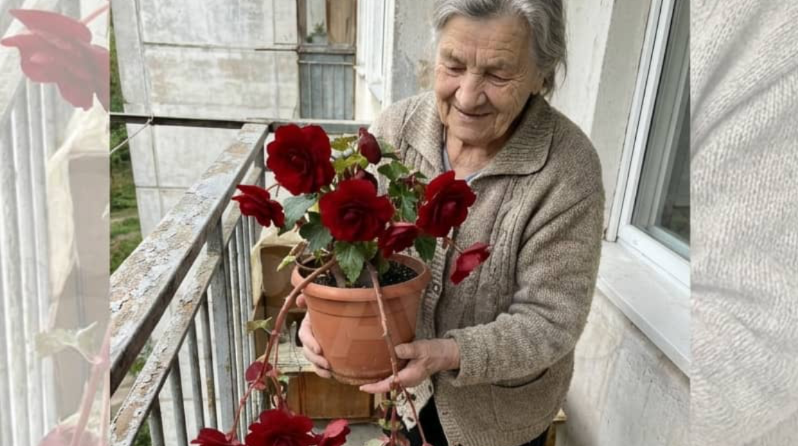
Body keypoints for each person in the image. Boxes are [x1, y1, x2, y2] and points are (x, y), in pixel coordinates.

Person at [298, 1, 604, 445]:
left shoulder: (567, 169)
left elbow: (551, 319)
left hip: (500, 420)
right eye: (454, 65)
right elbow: (354, 245)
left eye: (498, 75)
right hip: (407, 393)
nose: (467, 95)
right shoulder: (397, 129)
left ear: (542, 74)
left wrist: (451, 352)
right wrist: (319, 315)